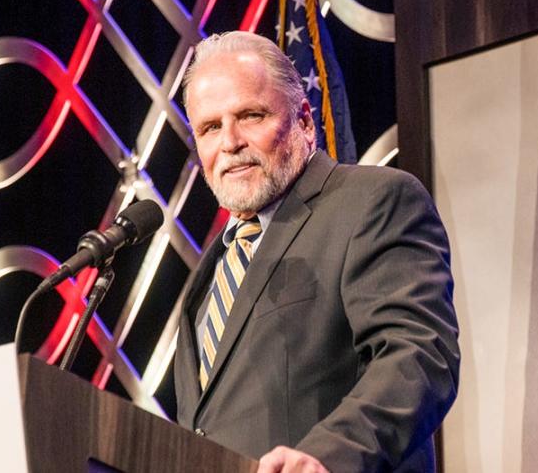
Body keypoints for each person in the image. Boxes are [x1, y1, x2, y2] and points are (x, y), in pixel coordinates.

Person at [174, 31, 459, 472]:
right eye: (210, 128)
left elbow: (418, 352)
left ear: (305, 121)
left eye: (250, 115)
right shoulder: (210, 271)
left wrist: (328, 455)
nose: (230, 142)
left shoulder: (372, 201)